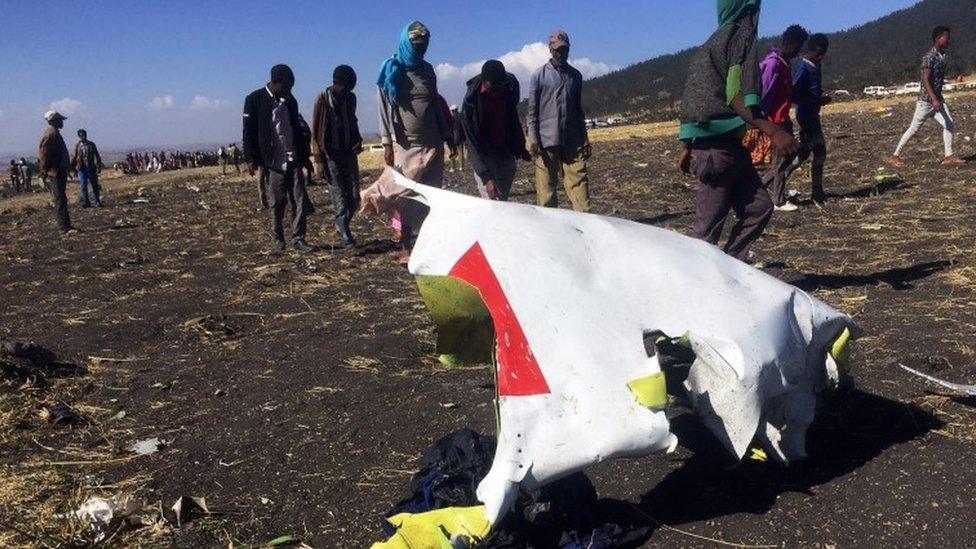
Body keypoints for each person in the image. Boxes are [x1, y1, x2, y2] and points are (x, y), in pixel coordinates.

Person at [677, 0, 798, 263]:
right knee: (706, 233)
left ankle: (731, 269)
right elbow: (735, 94)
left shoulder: (710, 44)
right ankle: (695, 287)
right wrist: (772, 130)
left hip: (729, 148)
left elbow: (691, 99)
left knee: (760, 208)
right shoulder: (741, 37)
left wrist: (686, 145)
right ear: (749, 9)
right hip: (716, 152)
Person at [376, 21, 452, 263]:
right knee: (406, 194)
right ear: (406, 44)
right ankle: (405, 246)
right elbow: (384, 108)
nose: (420, 51)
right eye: (416, 46)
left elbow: (435, 105)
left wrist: (446, 133)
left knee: (431, 194)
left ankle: (425, 242)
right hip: (406, 144)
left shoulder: (428, 71)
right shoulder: (391, 69)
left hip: (432, 142)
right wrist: (387, 142)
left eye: (424, 46)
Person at [243, 63, 314, 253]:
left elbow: (298, 131)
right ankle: (278, 239)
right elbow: (248, 132)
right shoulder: (254, 99)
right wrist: (250, 158)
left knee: (299, 201)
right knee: (277, 203)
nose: (290, 89)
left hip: (294, 158)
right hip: (273, 162)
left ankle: (299, 238)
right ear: (275, 82)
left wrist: (305, 157)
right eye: (287, 85)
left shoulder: (290, 101)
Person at [527, 30, 591, 212]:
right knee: (547, 196)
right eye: (557, 50)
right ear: (550, 49)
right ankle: (550, 235)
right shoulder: (538, 76)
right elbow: (532, 113)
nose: (560, 54)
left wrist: (584, 137)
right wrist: (533, 139)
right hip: (546, 142)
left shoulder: (576, 76)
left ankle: (585, 230)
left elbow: (579, 111)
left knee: (581, 190)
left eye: (564, 50)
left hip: (572, 140)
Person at [891, 26, 964, 167]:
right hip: (926, 101)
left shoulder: (942, 56)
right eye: (946, 37)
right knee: (914, 128)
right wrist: (934, 99)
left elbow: (937, 80)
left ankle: (948, 155)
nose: (949, 40)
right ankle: (895, 155)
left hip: (937, 100)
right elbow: (925, 79)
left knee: (949, 124)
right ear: (938, 39)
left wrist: (939, 98)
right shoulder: (929, 57)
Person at [460, 59, 531, 201]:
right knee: (492, 201)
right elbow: (472, 145)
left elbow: (512, 120)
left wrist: (520, 147)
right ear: (484, 82)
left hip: (505, 153)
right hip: (485, 155)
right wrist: (486, 177)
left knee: (502, 199)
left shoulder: (508, 89)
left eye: (501, 85)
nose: (499, 90)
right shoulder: (470, 104)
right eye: (495, 87)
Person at [312, 64, 364, 247]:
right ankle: (345, 236)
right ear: (338, 84)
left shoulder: (351, 98)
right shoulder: (323, 100)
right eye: (348, 86)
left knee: (354, 196)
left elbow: (353, 120)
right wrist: (319, 161)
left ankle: (342, 224)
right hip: (331, 155)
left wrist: (357, 139)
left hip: (348, 152)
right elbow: (316, 131)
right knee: (339, 195)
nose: (349, 90)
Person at [759, 24, 808, 212]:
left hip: (783, 117)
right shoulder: (774, 63)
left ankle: (769, 194)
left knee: (785, 158)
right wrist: (763, 121)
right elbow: (765, 91)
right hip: (775, 120)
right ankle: (774, 198)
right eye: (798, 46)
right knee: (781, 160)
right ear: (790, 43)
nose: (798, 51)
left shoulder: (785, 63)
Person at [784, 33, 832, 205]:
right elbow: (794, 94)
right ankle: (817, 192)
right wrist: (817, 100)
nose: (820, 57)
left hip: (812, 114)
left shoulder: (815, 65)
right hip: (806, 115)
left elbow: (812, 89)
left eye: (823, 54)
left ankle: (780, 178)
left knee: (804, 154)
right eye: (818, 53)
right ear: (812, 51)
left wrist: (820, 96)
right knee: (820, 153)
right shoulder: (803, 68)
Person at [38, 110, 75, 234]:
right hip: (55, 172)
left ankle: (66, 225)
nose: (62, 122)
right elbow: (44, 154)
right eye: (60, 120)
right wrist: (44, 171)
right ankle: (63, 228)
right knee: (59, 199)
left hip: (58, 171)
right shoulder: (51, 134)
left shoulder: (54, 133)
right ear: (54, 120)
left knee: (61, 199)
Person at [72, 129, 104, 207]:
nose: (83, 136)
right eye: (81, 135)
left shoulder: (91, 144)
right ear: (79, 136)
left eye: (84, 135)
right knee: (83, 185)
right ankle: (86, 202)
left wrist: (98, 166)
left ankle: (97, 201)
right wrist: (74, 169)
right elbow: (74, 157)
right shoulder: (77, 146)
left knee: (95, 185)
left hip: (91, 168)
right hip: (81, 169)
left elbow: (97, 155)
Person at [449, 105, 465, 174]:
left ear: (452, 111)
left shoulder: (450, 118)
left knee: (452, 152)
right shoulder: (461, 117)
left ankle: (452, 167)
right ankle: (461, 167)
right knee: (460, 152)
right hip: (460, 137)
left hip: (452, 138)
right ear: (457, 109)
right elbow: (463, 128)